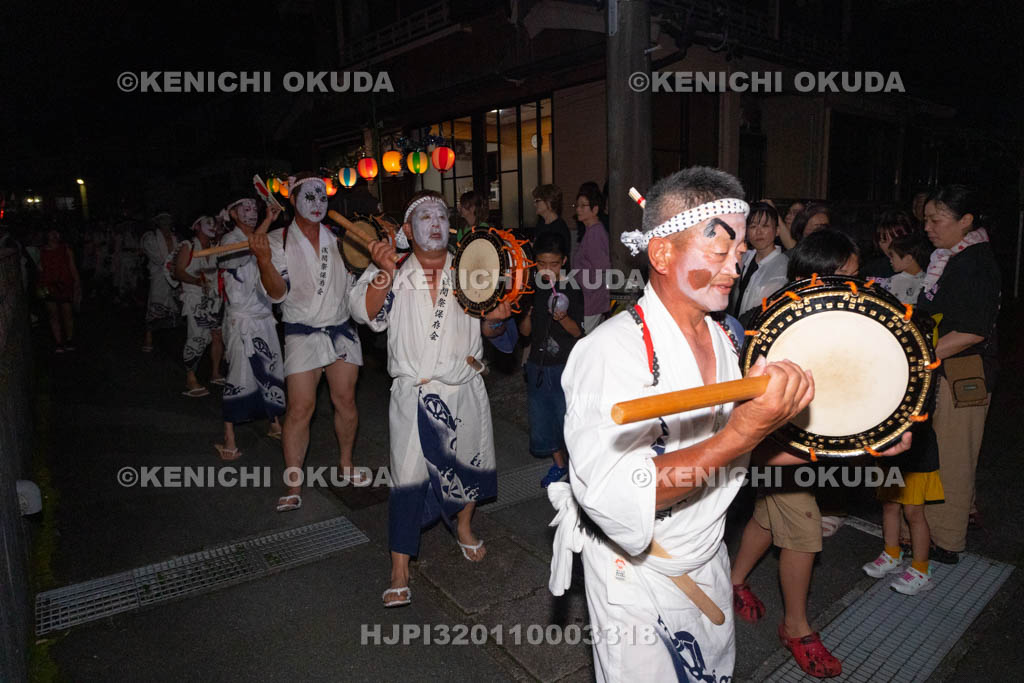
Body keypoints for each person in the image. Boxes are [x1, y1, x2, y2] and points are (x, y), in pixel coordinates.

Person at [549, 167, 881, 682]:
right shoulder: (610, 352)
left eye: (741, 249)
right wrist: (741, 432)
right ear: (662, 254)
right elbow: (617, 495)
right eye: (719, 250)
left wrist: (858, 447)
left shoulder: (726, 340)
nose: (736, 264)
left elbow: (740, 459)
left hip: (707, 557)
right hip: (637, 574)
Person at [349, 190, 516, 608]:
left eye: (442, 214)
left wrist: (497, 322)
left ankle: (462, 527)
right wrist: (383, 271)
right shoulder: (392, 269)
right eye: (425, 216)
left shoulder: (471, 267)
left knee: (469, 465)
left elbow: (492, 330)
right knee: (406, 479)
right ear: (407, 230)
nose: (436, 222)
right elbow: (364, 314)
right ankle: (399, 567)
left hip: (464, 385)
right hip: (416, 392)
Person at [729, 227, 865, 678]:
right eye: (850, 275)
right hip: (780, 446)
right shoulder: (776, 321)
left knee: (767, 520)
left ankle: (733, 581)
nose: (859, 284)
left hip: (803, 446)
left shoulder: (836, 316)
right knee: (803, 532)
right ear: (822, 276)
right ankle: (796, 627)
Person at [250, 174, 364, 512]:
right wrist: (263, 260)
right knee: (300, 408)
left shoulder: (340, 238)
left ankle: (346, 464)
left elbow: (359, 279)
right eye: (309, 196)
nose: (317, 203)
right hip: (302, 331)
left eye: (322, 197)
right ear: (292, 200)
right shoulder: (276, 240)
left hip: (341, 328)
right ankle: (294, 481)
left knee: (345, 401)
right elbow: (277, 293)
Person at [917, 184, 1000, 564]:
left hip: (964, 371)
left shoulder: (975, 262)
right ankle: (956, 518)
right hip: (952, 368)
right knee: (952, 451)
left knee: (952, 457)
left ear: (966, 221)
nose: (929, 227)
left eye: (937, 219)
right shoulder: (952, 256)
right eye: (927, 220)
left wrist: (920, 354)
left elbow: (972, 329)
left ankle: (946, 540)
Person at [214, 198, 286, 460]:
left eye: (255, 209)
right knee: (238, 374)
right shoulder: (227, 241)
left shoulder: (261, 238)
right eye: (245, 208)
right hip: (241, 320)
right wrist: (268, 222)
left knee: (270, 368)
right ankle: (229, 439)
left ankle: (274, 422)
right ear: (233, 214)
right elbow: (247, 250)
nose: (252, 212)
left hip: (264, 317)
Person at [518, 231, 583, 488]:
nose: (547, 269)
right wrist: (527, 315)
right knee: (542, 419)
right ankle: (558, 465)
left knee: (567, 420)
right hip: (537, 365)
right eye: (542, 263)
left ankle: (578, 469)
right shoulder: (532, 288)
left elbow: (578, 332)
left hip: (563, 367)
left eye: (554, 264)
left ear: (564, 261)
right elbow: (525, 333)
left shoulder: (573, 287)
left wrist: (562, 318)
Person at [175, 216, 225, 397]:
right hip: (195, 299)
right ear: (196, 226)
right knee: (196, 337)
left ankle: (215, 372)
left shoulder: (214, 247)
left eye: (214, 223)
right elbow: (178, 271)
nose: (212, 226)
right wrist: (196, 281)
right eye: (207, 223)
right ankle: (190, 378)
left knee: (217, 334)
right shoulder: (188, 245)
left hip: (213, 298)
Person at [730, 201, 788, 324]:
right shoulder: (744, 257)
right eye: (753, 226)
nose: (759, 232)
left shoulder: (783, 267)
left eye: (765, 226)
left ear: (777, 231)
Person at [573, 183, 610, 334]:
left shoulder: (595, 233)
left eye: (583, 206)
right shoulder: (591, 231)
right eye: (577, 205)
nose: (578, 209)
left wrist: (586, 289)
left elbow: (602, 269)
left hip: (592, 301)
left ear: (595, 209)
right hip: (590, 299)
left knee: (582, 340)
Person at [37, 228, 81, 352]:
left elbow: (72, 266)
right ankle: (58, 342)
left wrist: (77, 283)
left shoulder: (66, 249)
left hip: (65, 285)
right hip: (49, 286)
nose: (54, 236)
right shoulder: (41, 251)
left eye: (56, 233)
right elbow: (40, 269)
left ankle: (69, 340)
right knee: (53, 315)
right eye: (51, 233)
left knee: (67, 313)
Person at [140, 213, 179, 351]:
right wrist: (171, 265)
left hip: (174, 276)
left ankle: (171, 339)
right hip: (159, 276)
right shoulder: (150, 238)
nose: (166, 222)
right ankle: (148, 337)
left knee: (173, 305)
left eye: (168, 220)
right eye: (162, 220)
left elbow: (179, 255)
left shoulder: (175, 238)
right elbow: (158, 258)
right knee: (155, 303)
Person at [876, 231, 932, 305]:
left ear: (908, 259)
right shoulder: (892, 282)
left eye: (892, 256)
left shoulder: (929, 281)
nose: (890, 260)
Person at [860, 209, 917, 280]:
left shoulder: (930, 266)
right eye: (884, 241)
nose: (890, 246)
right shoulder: (871, 272)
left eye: (896, 239)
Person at [531, 184, 571, 258]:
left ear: (549, 202)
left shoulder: (559, 228)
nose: (534, 204)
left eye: (537, 201)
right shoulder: (541, 223)